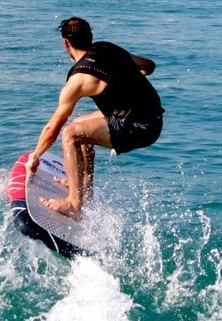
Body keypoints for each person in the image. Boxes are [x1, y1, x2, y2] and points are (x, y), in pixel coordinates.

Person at [26, 17, 163, 220]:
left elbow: (52, 129)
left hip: (140, 128)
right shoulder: (107, 48)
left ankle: (74, 204)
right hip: (151, 117)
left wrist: (35, 157)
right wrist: (127, 79)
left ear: (66, 43)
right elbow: (149, 66)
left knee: (70, 134)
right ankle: (83, 186)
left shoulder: (78, 80)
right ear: (90, 37)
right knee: (79, 124)